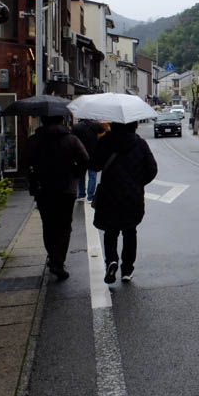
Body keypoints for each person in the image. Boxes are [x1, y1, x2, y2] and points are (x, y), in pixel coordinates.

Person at [21, 115, 89, 280]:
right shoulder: (71, 140)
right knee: (64, 226)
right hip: (66, 189)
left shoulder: (34, 140)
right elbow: (85, 159)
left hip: (43, 189)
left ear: (43, 122)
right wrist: (75, 174)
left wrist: (33, 177)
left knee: (48, 224)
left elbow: (24, 162)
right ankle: (58, 261)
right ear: (61, 121)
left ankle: (52, 256)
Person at [91, 121, 158, 284]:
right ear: (134, 124)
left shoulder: (105, 141)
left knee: (110, 230)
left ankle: (111, 261)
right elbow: (152, 169)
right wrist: (138, 183)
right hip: (132, 195)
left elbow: (94, 164)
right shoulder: (140, 144)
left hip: (109, 194)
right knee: (130, 231)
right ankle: (127, 269)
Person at [71, 119, 106, 202]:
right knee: (92, 175)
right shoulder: (97, 125)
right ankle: (90, 196)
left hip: (80, 154)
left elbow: (73, 139)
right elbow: (103, 134)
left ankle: (81, 194)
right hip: (93, 154)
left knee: (81, 175)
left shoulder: (76, 127)